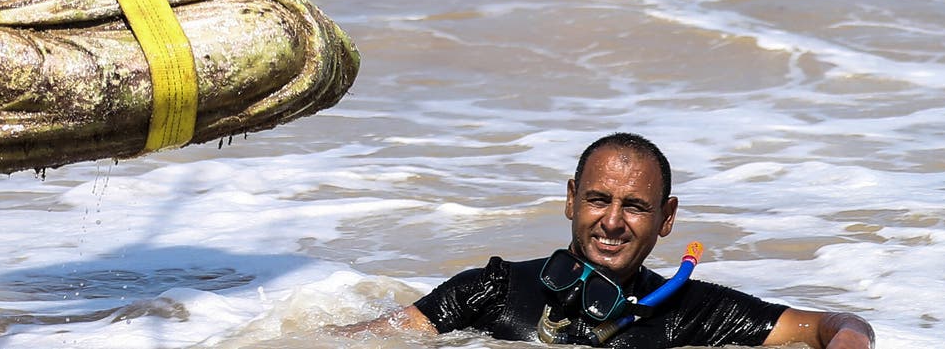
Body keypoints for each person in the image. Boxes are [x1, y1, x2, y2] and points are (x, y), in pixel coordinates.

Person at [345, 133, 875, 348]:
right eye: (599, 200)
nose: (613, 222)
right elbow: (356, 339)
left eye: (636, 206)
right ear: (571, 199)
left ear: (667, 219)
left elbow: (836, 325)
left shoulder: (690, 310)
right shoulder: (493, 289)